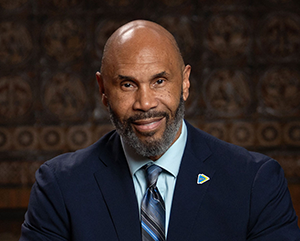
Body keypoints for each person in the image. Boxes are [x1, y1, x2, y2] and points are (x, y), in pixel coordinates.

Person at [20, 20, 300, 241]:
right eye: (127, 85)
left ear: (185, 83)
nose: (145, 103)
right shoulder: (60, 186)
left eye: (159, 81)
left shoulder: (255, 183)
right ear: (103, 90)